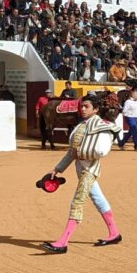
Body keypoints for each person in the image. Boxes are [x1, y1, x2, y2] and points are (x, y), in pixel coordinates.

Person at [40, 95, 124, 253]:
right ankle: (114, 233)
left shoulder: (102, 126)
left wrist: (79, 152)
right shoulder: (81, 126)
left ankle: (63, 242)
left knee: (77, 201)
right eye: (82, 106)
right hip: (81, 169)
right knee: (99, 199)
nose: (82, 109)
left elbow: (101, 151)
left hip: (90, 170)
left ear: (96, 109)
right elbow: (71, 153)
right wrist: (57, 169)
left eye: (86, 106)